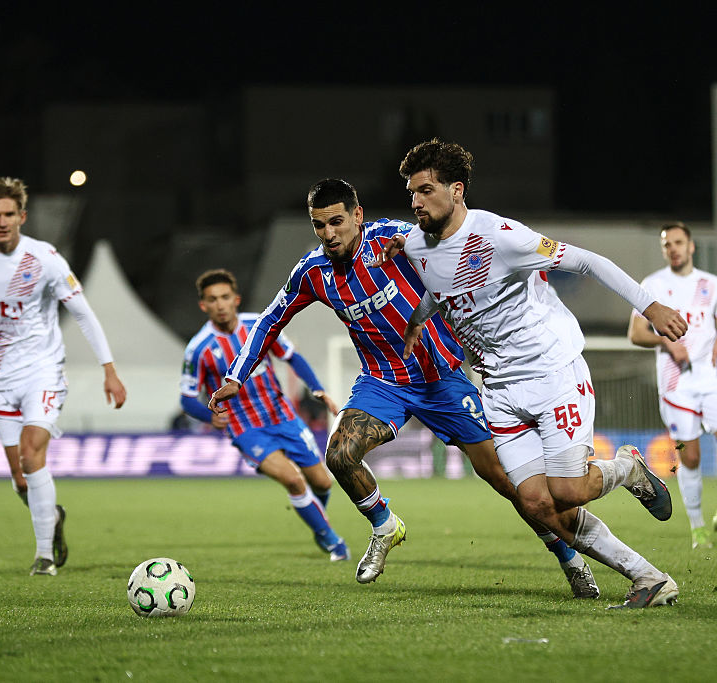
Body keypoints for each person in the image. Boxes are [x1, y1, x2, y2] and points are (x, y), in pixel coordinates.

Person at [210, 178, 601, 599]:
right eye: (319, 226)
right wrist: (236, 376)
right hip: (384, 382)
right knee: (339, 454)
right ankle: (385, 526)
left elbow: (459, 255)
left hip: (443, 378)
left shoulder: (396, 240)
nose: (329, 234)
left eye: (337, 222)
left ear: (357, 216)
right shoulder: (312, 272)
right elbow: (270, 319)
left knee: (508, 483)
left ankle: (570, 560)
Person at [391, 139, 687, 608]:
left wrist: (650, 306)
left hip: (553, 373)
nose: (415, 201)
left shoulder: (501, 236)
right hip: (500, 389)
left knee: (568, 491)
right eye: (411, 192)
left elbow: (590, 261)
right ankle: (648, 579)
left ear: (457, 189)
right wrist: (416, 323)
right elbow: (440, 287)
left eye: (425, 190)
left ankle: (628, 468)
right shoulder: (414, 245)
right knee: (536, 504)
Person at [0, 177, 126, 577]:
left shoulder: (45, 259)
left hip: (43, 371)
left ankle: (44, 557)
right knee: (20, 477)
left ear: (22, 216)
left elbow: (83, 312)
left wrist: (109, 369)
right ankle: (52, 514)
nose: (2, 222)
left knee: (33, 455)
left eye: (9, 214)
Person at [181, 268, 350, 561]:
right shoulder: (198, 349)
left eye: (224, 297)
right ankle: (332, 540)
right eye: (212, 299)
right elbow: (186, 398)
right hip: (246, 429)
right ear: (203, 306)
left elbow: (292, 357)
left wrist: (317, 389)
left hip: (283, 417)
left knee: (322, 483)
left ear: (236, 299)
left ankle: (318, 522)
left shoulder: (259, 326)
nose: (219, 304)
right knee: (294, 481)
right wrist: (210, 417)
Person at [628, 222, 717, 550]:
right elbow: (636, 334)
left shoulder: (713, 285)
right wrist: (665, 343)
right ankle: (698, 528)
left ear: (691, 246)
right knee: (690, 457)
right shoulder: (652, 285)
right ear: (664, 250)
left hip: (713, 380)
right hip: (676, 386)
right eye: (667, 244)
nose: (674, 249)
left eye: (679, 242)